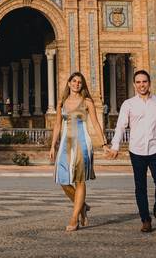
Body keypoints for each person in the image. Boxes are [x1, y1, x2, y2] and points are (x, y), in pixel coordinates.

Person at [106, 69, 156, 233]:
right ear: (134, 84)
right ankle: (145, 219)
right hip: (136, 149)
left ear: (149, 83)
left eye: (144, 81)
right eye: (138, 82)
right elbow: (120, 126)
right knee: (140, 186)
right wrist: (115, 146)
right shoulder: (128, 104)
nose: (141, 85)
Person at [49, 72, 108, 232]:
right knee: (62, 180)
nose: (76, 84)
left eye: (79, 82)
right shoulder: (62, 102)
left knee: (79, 180)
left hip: (82, 143)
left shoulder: (87, 101)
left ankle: (74, 218)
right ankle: (82, 206)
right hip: (65, 145)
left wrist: (104, 143)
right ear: (68, 83)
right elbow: (57, 125)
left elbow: (95, 123)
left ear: (82, 85)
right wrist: (53, 145)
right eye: (74, 81)